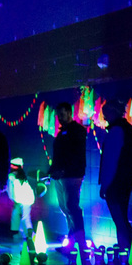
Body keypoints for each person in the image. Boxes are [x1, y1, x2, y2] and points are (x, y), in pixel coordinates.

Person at [99, 99, 132, 250]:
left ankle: (126, 252)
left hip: (116, 182)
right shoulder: (128, 129)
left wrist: (105, 185)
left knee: (119, 219)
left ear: (112, 112)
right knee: (122, 218)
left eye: (105, 114)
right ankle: (129, 251)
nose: (104, 118)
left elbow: (110, 161)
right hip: (126, 180)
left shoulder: (116, 131)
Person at [51, 102, 87, 249]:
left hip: (71, 175)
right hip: (61, 175)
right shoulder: (62, 132)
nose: (59, 117)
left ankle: (80, 242)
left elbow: (75, 154)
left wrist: (63, 170)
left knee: (71, 206)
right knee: (66, 207)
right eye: (58, 115)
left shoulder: (76, 130)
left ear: (69, 113)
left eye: (62, 114)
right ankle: (72, 241)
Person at [7, 157, 36, 237]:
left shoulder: (12, 177)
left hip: (22, 200)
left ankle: (29, 235)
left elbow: (12, 191)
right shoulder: (22, 177)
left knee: (24, 217)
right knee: (19, 215)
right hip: (25, 200)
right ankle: (23, 232)